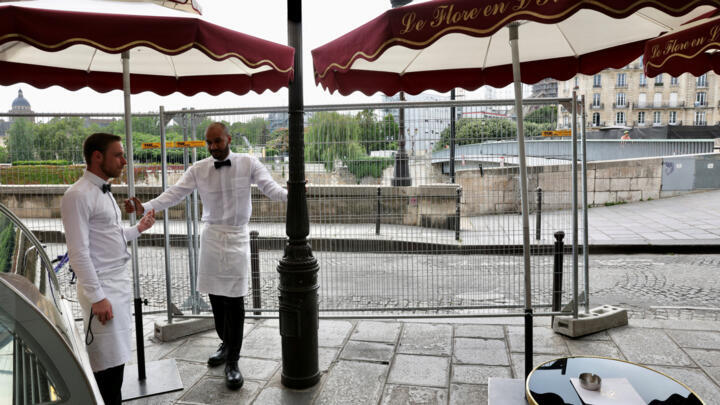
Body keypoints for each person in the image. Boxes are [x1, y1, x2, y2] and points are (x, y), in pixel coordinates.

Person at [125, 122, 287, 390]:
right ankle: (225, 344)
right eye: (209, 143)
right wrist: (147, 206)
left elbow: (271, 189)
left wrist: (294, 192)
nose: (213, 147)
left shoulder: (248, 163)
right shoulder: (198, 168)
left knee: (234, 300)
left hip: (236, 235)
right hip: (211, 236)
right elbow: (174, 194)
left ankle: (233, 361)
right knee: (216, 297)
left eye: (217, 142)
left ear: (228, 139)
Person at [61, 133, 156, 405]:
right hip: (102, 288)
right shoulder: (77, 195)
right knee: (105, 365)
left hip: (118, 285)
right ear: (97, 156)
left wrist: (138, 228)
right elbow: (78, 253)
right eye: (118, 154)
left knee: (117, 361)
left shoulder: (103, 190)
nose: (124, 161)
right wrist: (98, 297)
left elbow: (108, 238)